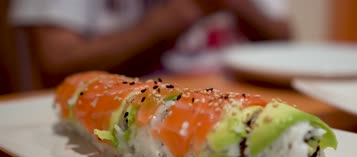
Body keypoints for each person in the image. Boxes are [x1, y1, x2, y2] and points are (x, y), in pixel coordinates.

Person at [8, 0, 289, 88]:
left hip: (239, 96)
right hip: (129, 105)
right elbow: (55, 63)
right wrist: (159, 27)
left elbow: (286, 42)